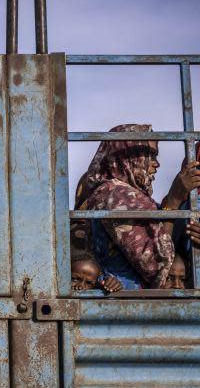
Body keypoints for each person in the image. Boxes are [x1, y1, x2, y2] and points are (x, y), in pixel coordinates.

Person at [79, 124, 200, 289]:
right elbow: (157, 264)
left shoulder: (133, 197)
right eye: (149, 155)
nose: (156, 164)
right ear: (127, 156)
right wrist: (174, 199)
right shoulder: (117, 196)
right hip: (125, 302)